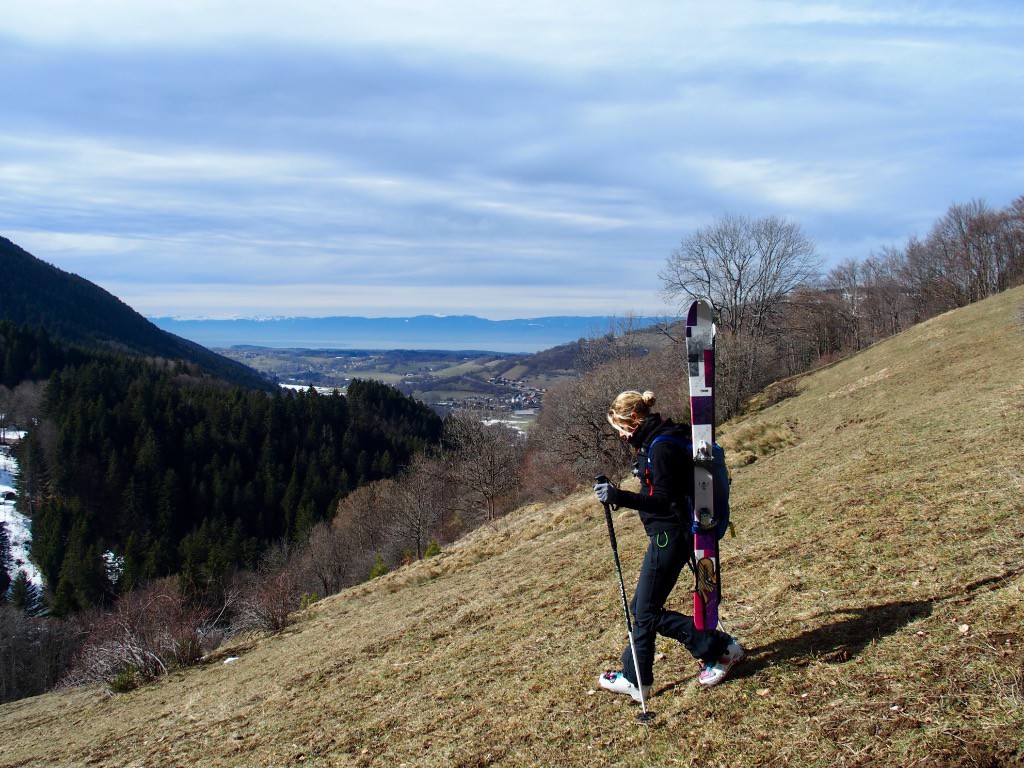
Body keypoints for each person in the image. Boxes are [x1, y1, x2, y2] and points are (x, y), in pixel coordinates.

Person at [593, 390, 745, 702]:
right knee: (642, 608)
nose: (621, 436)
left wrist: (617, 495)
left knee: (644, 610)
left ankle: (708, 652)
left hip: (670, 536)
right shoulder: (660, 438)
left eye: (620, 429)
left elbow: (662, 501)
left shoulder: (660, 447)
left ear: (633, 420)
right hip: (670, 534)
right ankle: (707, 650)